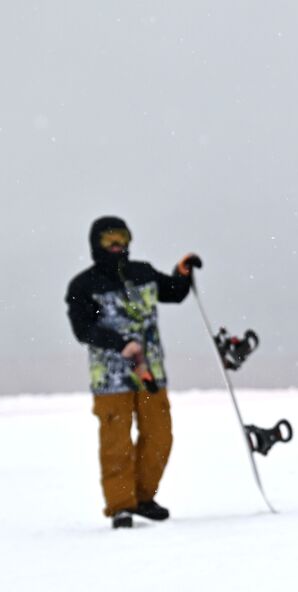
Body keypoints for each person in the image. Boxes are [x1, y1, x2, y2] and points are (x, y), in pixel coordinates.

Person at [65, 216, 201, 528]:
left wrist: (183, 272)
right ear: (96, 245)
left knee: (160, 437)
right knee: (117, 444)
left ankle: (142, 497)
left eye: (121, 238)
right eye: (108, 240)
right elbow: (82, 329)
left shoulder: (143, 273)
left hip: (151, 374)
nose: (116, 246)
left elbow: (174, 292)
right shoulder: (83, 286)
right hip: (111, 380)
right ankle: (121, 506)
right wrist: (119, 343)